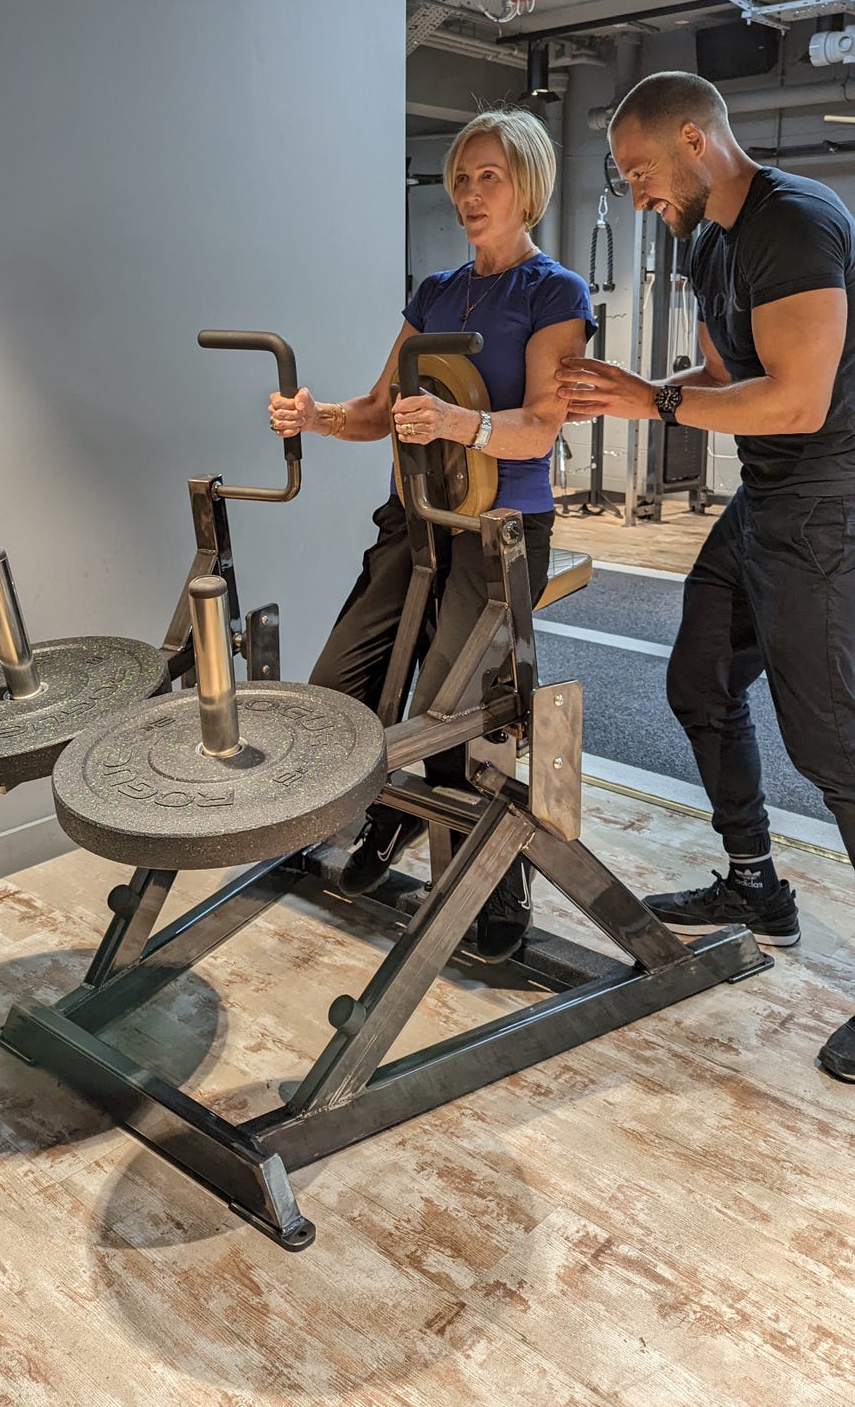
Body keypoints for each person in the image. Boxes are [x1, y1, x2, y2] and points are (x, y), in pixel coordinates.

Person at [556, 70, 855, 1083]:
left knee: (831, 738)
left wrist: (656, 406)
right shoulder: (705, 239)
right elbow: (724, 381)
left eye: (639, 169)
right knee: (695, 680)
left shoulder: (793, 221)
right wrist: (625, 395)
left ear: (694, 139)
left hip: (824, 499)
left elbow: (799, 400)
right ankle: (751, 883)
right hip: (766, 498)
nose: (636, 192)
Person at [269, 109, 595, 961]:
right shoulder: (437, 293)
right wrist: (317, 414)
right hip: (413, 521)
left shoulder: (554, 293)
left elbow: (539, 426)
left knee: (458, 711)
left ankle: (494, 875)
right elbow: (379, 411)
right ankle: (385, 818)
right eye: (461, 176)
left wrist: (458, 422)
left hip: (500, 528)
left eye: (488, 175)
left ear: (526, 186)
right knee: (342, 681)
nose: (469, 192)